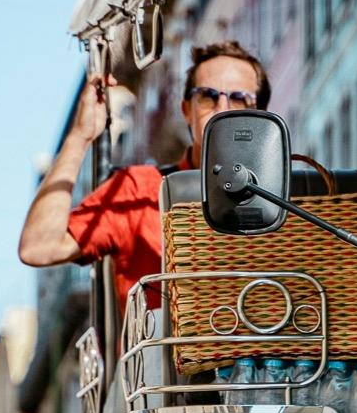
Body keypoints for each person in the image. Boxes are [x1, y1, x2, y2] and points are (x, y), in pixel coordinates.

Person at [16, 41, 272, 314]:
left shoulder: (289, 197)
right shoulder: (138, 189)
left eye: (239, 97)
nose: (222, 109)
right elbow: (39, 248)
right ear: (187, 109)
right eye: (208, 96)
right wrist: (80, 136)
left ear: (261, 116)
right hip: (162, 354)